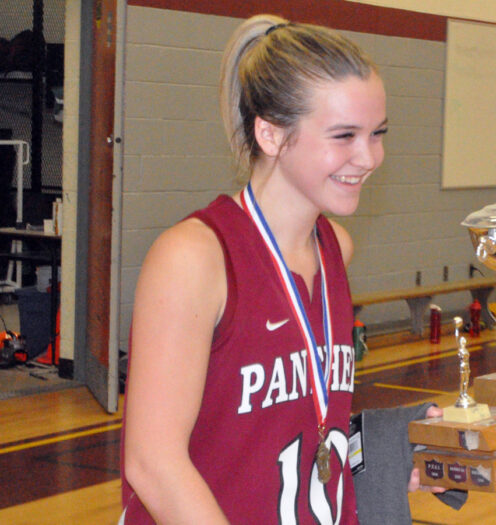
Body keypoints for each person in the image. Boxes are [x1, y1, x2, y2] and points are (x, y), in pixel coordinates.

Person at [120, 15, 441, 524]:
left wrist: (374, 456)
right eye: (344, 135)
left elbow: (294, 421)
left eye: (377, 133)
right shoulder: (194, 257)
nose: (369, 156)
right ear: (270, 134)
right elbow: (152, 462)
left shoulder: (336, 247)